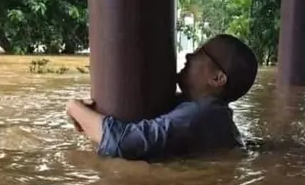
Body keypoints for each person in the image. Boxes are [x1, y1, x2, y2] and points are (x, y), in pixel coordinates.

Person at [66, 34, 258, 161]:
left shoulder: (200, 113)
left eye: (201, 53)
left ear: (217, 78)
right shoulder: (210, 111)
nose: (189, 56)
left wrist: (73, 107)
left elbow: (122, 144)